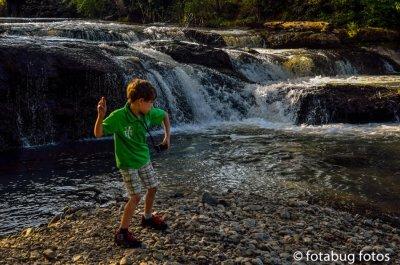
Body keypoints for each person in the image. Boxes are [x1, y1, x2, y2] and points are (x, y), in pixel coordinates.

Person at [94, 78, 171, 248]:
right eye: (150, 102)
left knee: (153, 187)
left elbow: (165, 115)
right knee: (135, 196)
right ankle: (122, 233)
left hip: (143, 158)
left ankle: (147, 218)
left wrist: (167, 137)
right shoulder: (118, 117)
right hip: (127, 162)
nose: (152, 106)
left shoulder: (148, 113)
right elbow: (98, 133)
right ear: (140, 101)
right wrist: (100, 116)